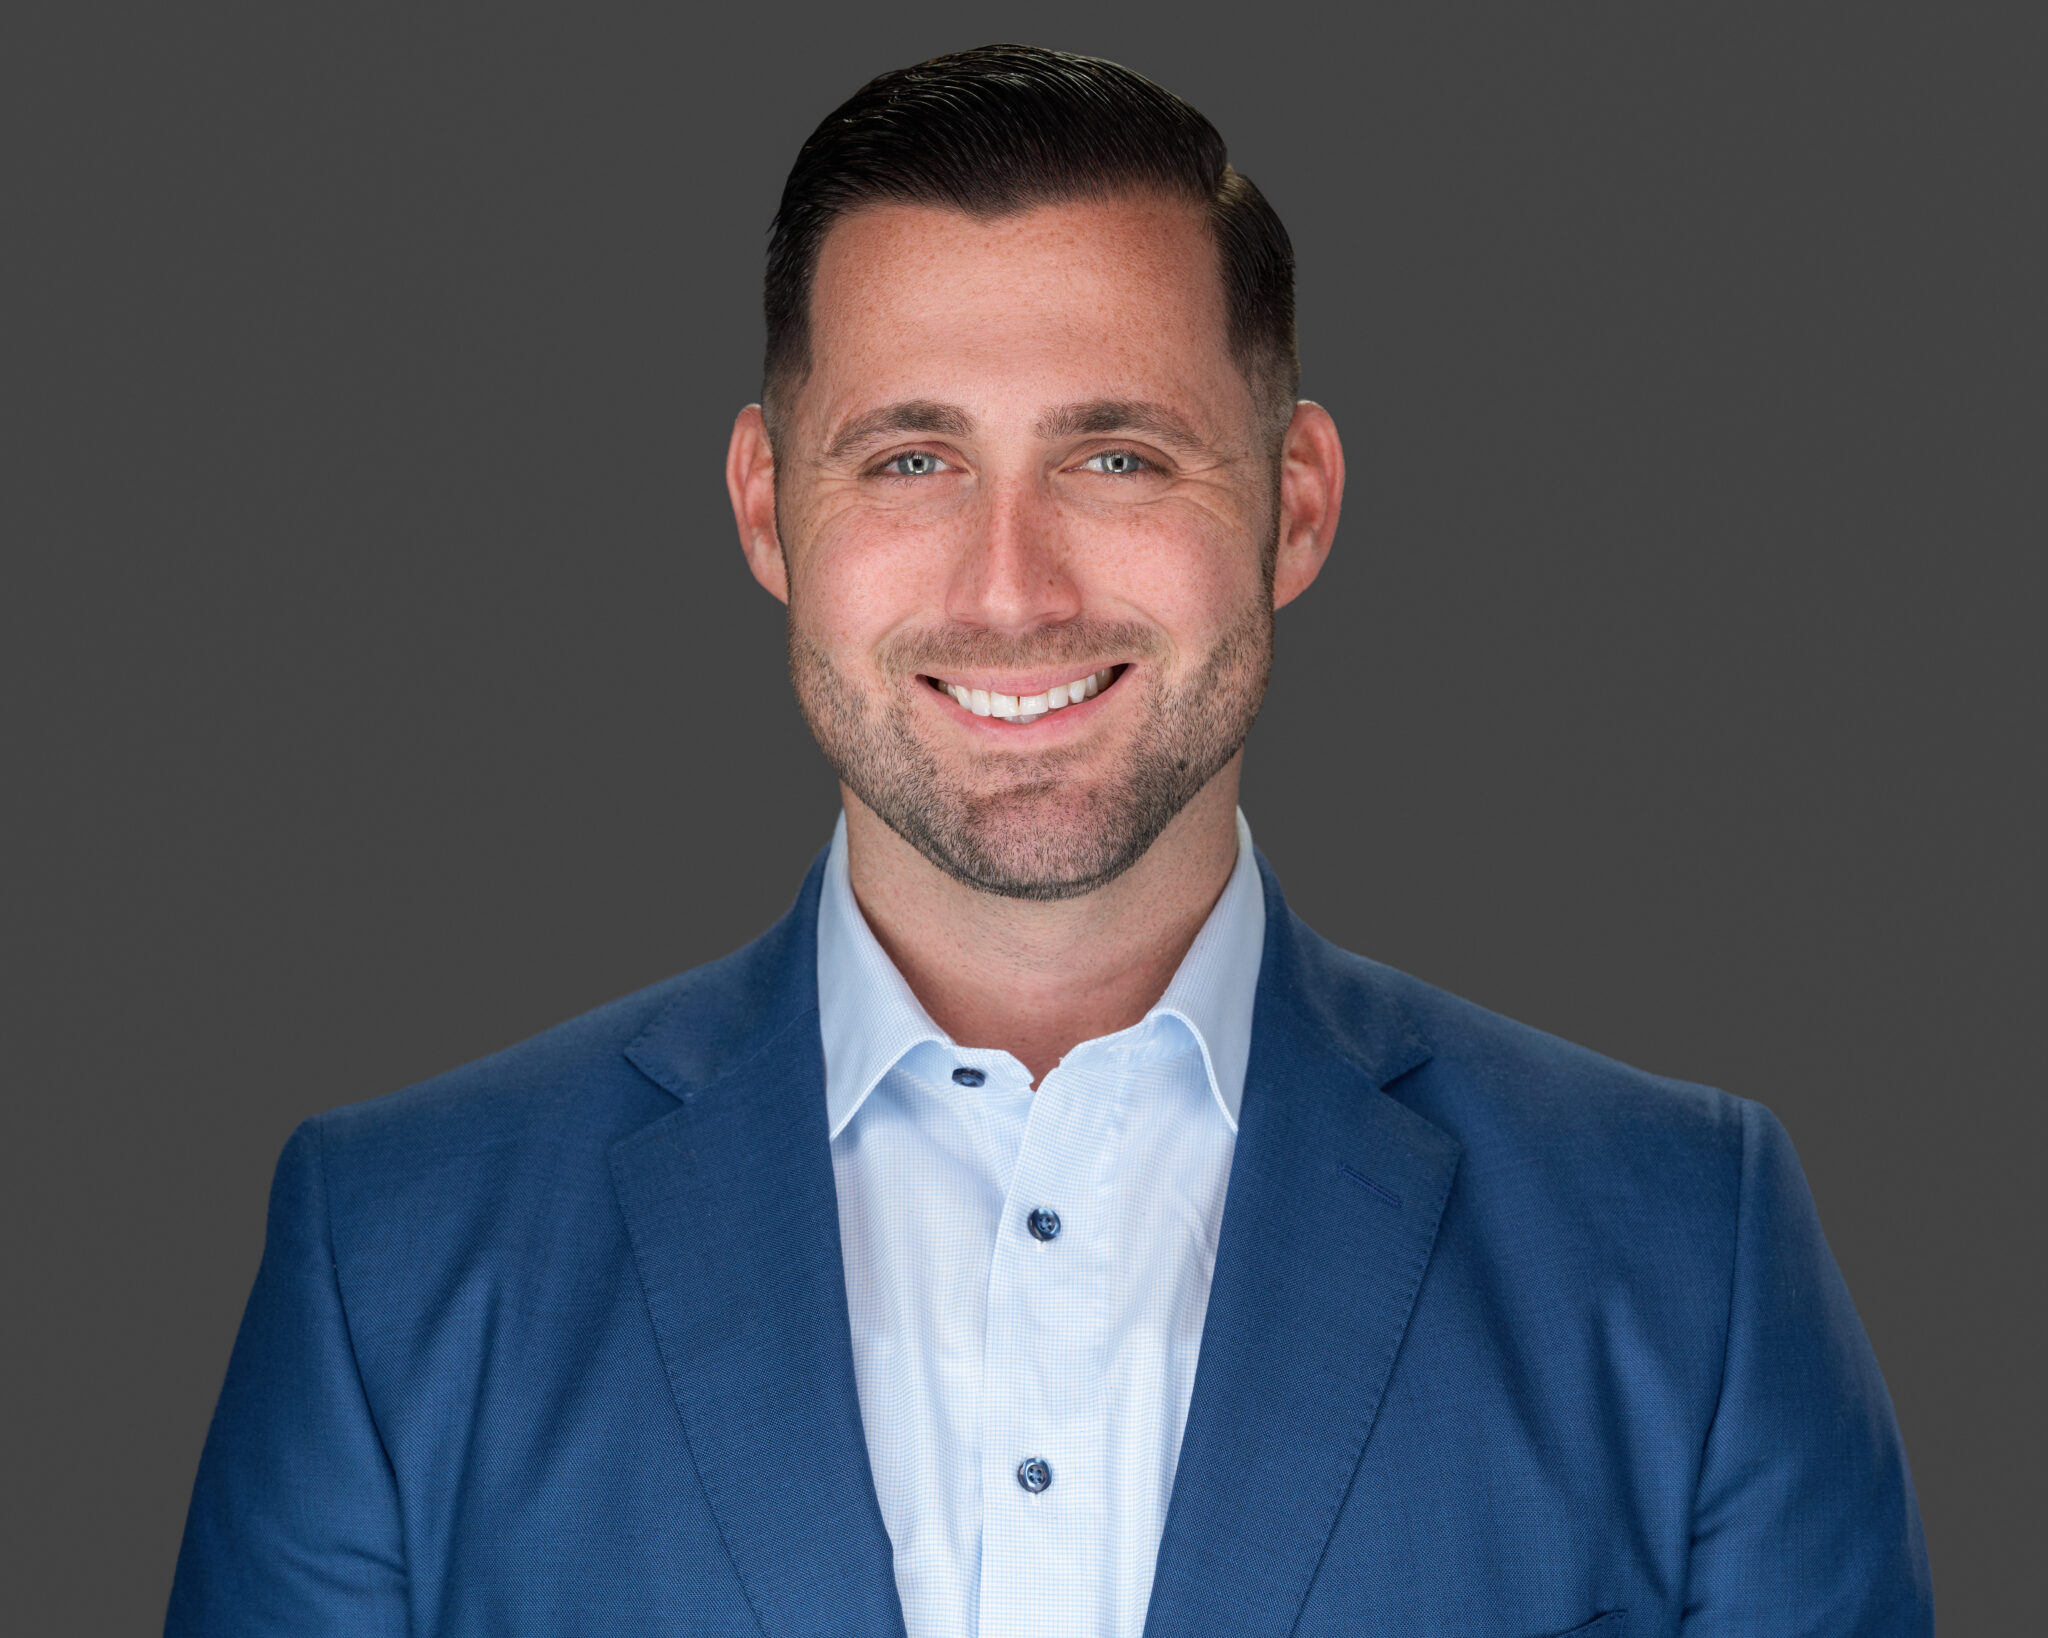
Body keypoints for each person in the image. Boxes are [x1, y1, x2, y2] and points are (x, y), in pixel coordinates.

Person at [166, 44, 1931, 1638]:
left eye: (1119, 460)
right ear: (769, 510)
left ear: (1296, 502)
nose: (1012, 590)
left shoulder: (1686, 1254)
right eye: (913, 462)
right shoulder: (390, 1262)